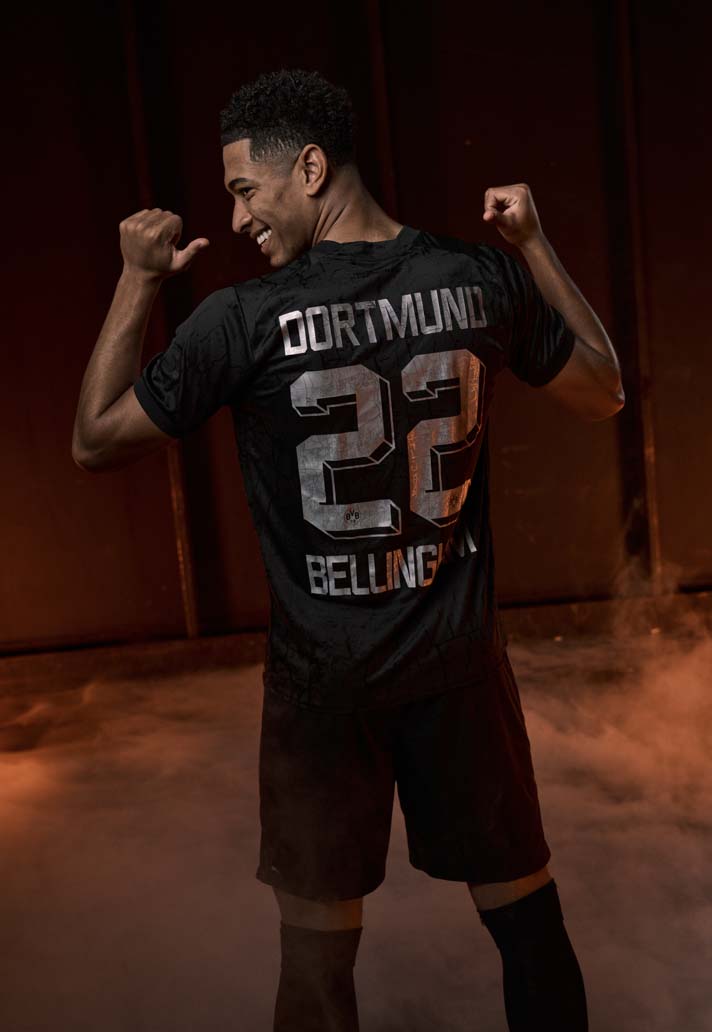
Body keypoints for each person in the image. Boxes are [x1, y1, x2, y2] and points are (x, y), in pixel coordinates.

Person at [72, 67, 624, 1031]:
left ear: (311, 168)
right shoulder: (474, 277)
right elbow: (604, 388)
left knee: (318, 969)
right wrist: (533, 245)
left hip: (323, 691)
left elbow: (94, 439)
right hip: (459, 672)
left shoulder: (243, 319)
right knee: (528, 926)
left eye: (246, 188)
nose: (236, 217)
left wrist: (137, 278)